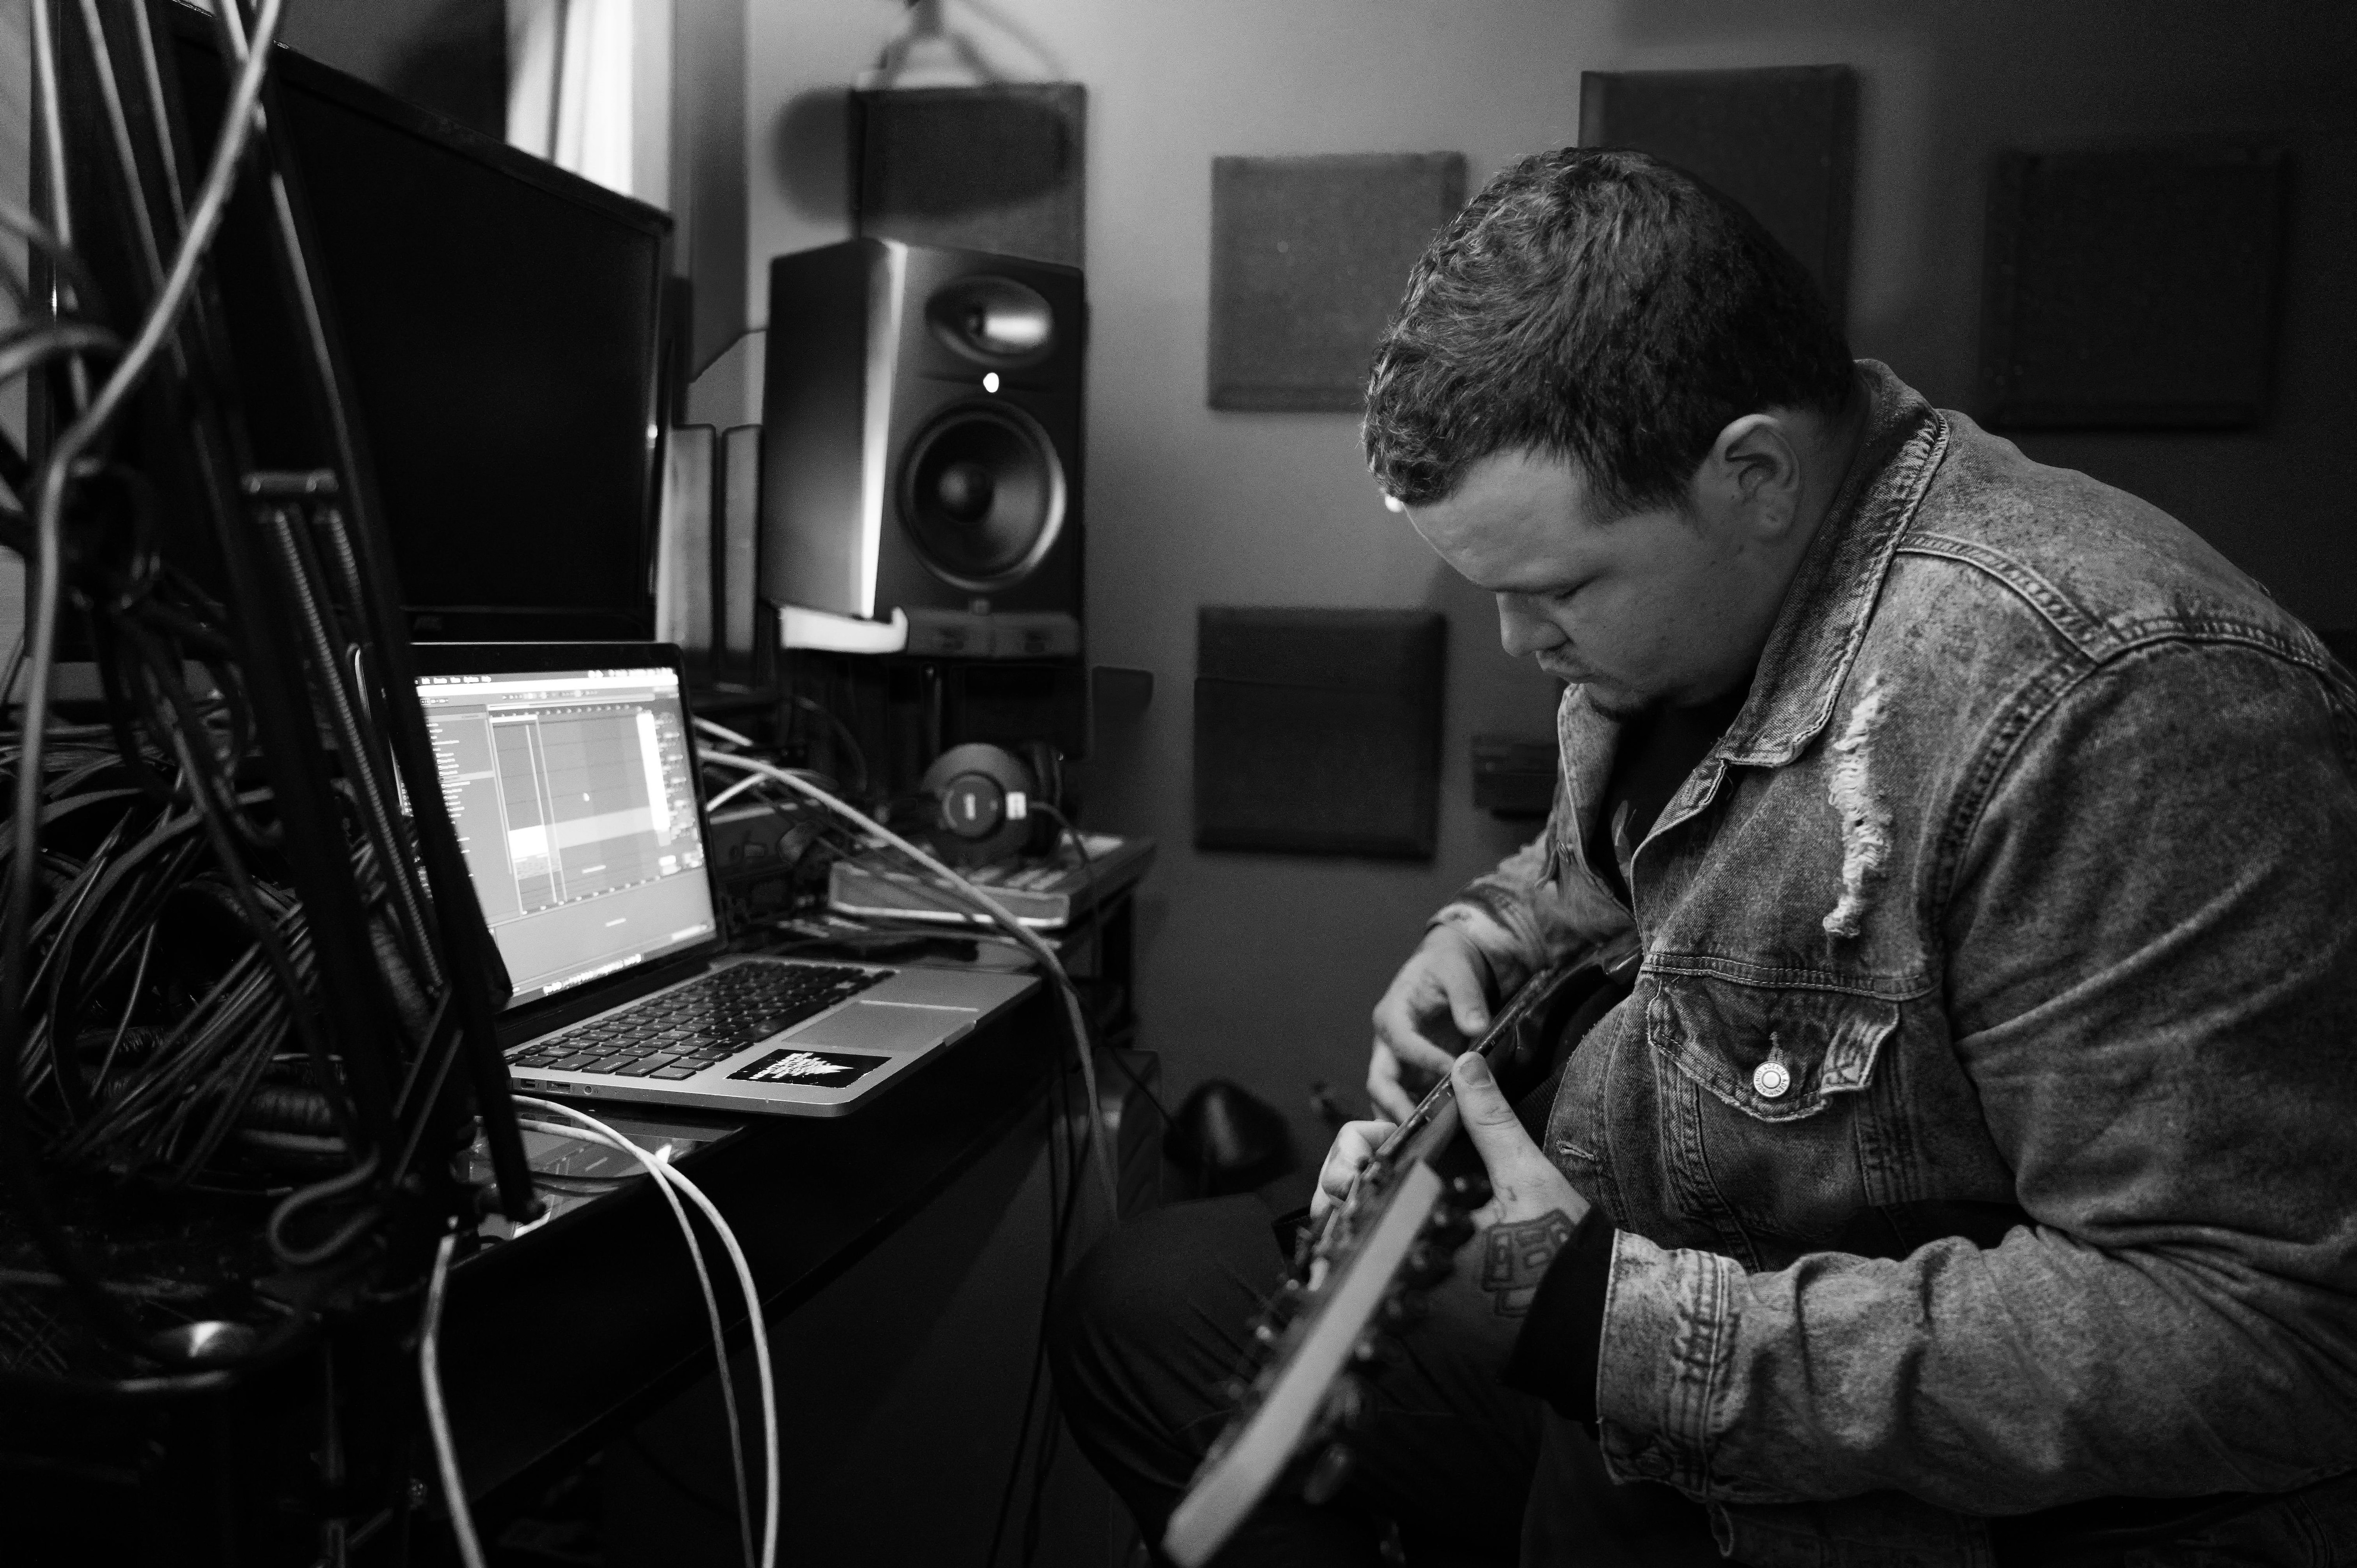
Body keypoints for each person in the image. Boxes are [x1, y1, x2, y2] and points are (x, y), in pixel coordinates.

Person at [1051, 147, 2357, 1566]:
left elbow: (2260, 1339)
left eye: (1555, 589)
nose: (1518, 647)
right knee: (1151, 1307)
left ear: (1756, 474)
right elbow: (1627, 886)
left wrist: (1608, 1323)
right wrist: (1491, 936)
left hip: (1882, 1490)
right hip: (1626, 1311)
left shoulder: (2118, 702)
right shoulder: (1686, 604)